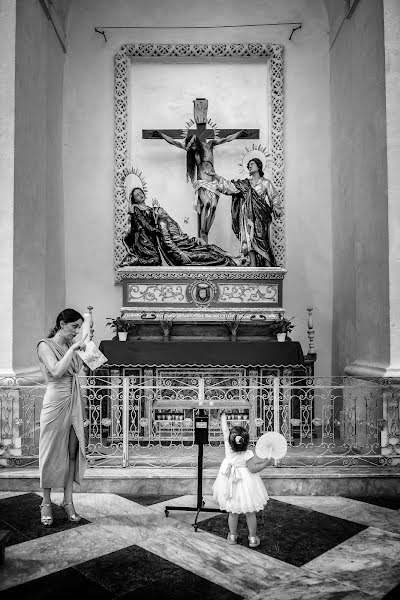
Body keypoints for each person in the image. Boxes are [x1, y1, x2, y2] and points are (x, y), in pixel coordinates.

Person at [37, 309, 88, 526]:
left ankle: (68, 501)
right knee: (49, 452)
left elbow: (81, 368)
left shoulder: (70, 346)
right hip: (55, 402)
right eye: (74, 326)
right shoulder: (44, 345)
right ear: (61, 323)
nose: (77, 332)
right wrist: (75, 348)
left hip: (74, 400)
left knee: (72, 453)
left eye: (79, 327)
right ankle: (46, 502)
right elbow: (56, 371)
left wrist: (86, 350)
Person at [152, 128, 249, 242]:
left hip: (213, 181)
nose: (192, 149)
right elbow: (174, 142)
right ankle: (203, 232)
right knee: (207, 203)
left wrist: (239, 134)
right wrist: (161, 134)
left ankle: (205, 232)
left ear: (196, 141)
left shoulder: (210, 144)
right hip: (202, 181)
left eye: (193, 146)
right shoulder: (192, 150)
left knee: (213, 207)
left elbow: (226, 139)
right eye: (190, 148)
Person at [213, 412, 270, 548]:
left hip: (230, 483)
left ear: (231, 441)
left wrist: (223, 417)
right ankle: (252, 539)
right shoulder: (248, 453)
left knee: (232, 512)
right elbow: (253, 469)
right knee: (250, 512)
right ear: (246, 442)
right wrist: (266, 463)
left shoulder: (228, 447)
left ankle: (232, 536)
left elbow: (225, 430)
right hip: (246, 483)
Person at [213, 157, 282, 267]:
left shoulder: (265, 183)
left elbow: (274, 196)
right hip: (247, 216)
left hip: (261, 216)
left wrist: (276, 207)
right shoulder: (245, 184)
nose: (249, 166)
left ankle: (268, 266)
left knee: (263, 241)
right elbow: (229, 187)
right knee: (249, 240)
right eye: (248, 164)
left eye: (252, 164)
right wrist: (215, 176)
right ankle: (253, 267)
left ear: (259, 166)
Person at [153, 200, 236, 267]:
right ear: (156, 215)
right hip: (183, 251)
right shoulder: (162, 223)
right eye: (160, 211)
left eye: (163, 210)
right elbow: (167, 242)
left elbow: (182, 237)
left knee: (212, 248)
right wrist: (181, 253)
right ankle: (233, 263)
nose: (164, 212)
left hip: (188, 246)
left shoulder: (170, 221)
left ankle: (233, 259)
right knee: (210, 256)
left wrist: (196, 239)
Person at [119, 187, 161, 267]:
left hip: (150, 238)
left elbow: (153, 223)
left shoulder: (149, 209)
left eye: (141, 192)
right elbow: (143, 222)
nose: (140, 195)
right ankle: (135, 261)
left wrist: (156, 213)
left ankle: (136, 260)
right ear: (134, 200)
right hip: (142, 238)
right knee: (156, 259)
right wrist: (154, 230)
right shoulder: (135, 208)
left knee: (157, 260)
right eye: (137, 195)